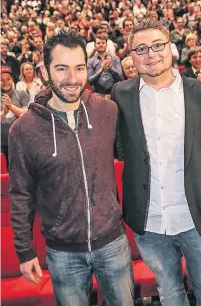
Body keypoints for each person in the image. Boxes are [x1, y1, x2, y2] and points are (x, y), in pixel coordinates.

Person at [112, 19, 201, 306]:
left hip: (196, 217)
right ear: (131, 55)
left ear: (170, 46)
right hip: (150, 221)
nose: (151, 54)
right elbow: (120, 148)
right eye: (141, 48)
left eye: (157, 45)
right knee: (170, 295)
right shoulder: (120, 95)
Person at [9, 30, 134, 306]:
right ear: (45, 69)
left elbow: (134, 161)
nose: (72, 78)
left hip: (113, 242)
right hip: (63, 253)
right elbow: (21, 195)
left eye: (79, 68)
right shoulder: (24, 130)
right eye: (62, 68)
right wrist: (24, 250)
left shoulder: (107, 111)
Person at [1, 66, 29, 163]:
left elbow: (27, 114)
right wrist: (4, 113)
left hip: (20, 141)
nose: (5, 83)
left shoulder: (22, 94)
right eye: (2, 80)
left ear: (12, 79)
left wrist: (11, 106)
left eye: (8, 79)